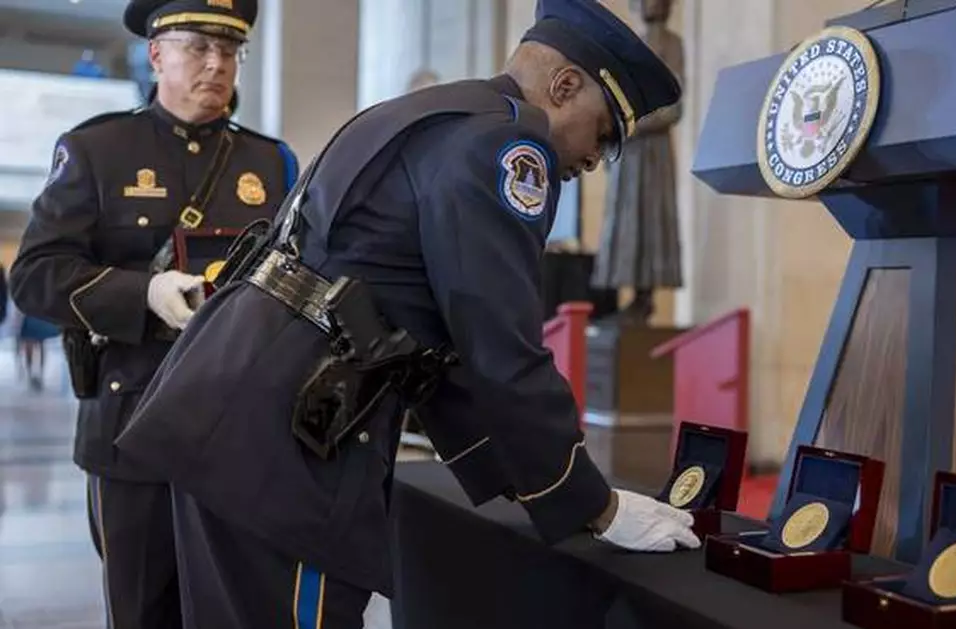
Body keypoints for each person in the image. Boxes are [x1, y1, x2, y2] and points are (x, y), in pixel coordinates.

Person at [118, 0, 700, 626]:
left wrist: (538, 483)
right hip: (290, 452)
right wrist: (595, 504)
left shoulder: (431, 114)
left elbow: (424, 345)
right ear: (563, 87)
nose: (593, 161)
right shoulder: (507, 145)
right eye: (604, 135)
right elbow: (501, 349)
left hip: (230, 414)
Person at [7, 1, 298, 627]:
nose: (217, 64)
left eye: (231, 50)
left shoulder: (272, 164)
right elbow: (34, 276)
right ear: (157, 53)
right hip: (131, 425)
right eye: (198, 47)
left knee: (239, 608)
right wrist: (142, 292)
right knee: (144, 611)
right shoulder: (97, 150)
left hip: (239, 433)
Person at [590, 0, 684, 323]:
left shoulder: (672, 44)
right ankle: (629, 297)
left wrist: (631, 124)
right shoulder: (631, 40)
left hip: (652, 152)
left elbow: (673, 108)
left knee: (649, 219)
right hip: (628, 152)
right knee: (623, 219)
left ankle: (645, 298)